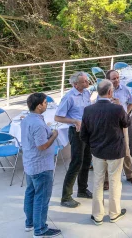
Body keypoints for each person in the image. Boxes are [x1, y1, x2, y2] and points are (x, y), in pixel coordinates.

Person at [80, 79, 129, 225]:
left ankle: (97, 215)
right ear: (110, 92)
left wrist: (93, 145)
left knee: (97, 182)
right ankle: (114, 213)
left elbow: (83, 134)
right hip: (115, 151)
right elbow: (127, 123)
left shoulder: (88, 110)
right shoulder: (117, 109)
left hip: (97, 152)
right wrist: (121, 106)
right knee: (115, 182)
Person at [22, 93, 62, 237]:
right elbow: (42, 146)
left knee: (31, 193)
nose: (46, 104)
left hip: (30, 163)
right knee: (42, 198)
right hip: (41, 166)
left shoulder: (27, 119)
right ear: (39, 106)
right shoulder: (38, 124)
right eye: (45, 102)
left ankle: (30, 223)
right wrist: (54, 135)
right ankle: (40, 229)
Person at [55, 71, 92, 208]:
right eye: (84, 81)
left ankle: (82, 189)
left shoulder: (87, 93)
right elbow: (58, 117)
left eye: (87, 80)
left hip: (88, 130)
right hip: (76, 132)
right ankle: (66, 197)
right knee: (76, 162)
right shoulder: (69, 97)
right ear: (76, 84)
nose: (87, 83)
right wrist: (74, 121)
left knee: (87, 160)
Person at [107, 70, 132, 186]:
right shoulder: (104, 91)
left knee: (126, 149)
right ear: (108, 80)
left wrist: (126, 113)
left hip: (122, 124)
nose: (116, 80)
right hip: (109, 125)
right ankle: (107, 180)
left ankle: (130, 175)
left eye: (117, 78)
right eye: (113, 79)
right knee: (108, 151)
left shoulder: (125, 89)